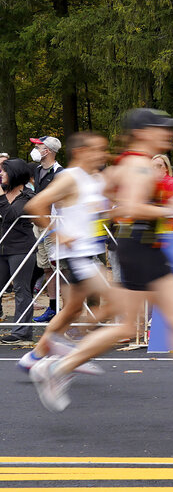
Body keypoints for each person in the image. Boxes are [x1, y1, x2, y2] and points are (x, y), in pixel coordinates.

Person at [29, 108, 173, 416]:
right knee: (160, 323)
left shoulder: (126, 164)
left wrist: (103, 211)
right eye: (163, 128)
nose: (170, 133)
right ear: (144, 132)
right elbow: (131, 207)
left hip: (139, 246)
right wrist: (170, 208)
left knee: (137, 326)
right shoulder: (141, 166)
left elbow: (110, 200)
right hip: (142, 246)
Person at [19, 132, 115, 374]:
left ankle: (35, 356)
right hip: (76, 254)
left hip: (88, 251)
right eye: (97, 149)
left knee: (72, 309)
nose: (102, 154)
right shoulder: (70, 178)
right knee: (118, 301)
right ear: (81, 152)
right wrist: (57, 232)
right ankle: (71, 350)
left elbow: (94, 212)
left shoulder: (93, 179)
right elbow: (33, 206)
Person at [0, 158, 38, 344]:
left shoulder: (27, 197)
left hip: (21, 248)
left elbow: (10, 215)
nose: (1, 174)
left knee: (22, 289)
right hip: (3, 247)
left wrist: (0, 195)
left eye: (4, 171)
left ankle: (21, 333)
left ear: (14, 174)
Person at [29, 135, 63, 324]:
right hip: (38, 226)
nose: (35, 150)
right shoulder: (37, 170)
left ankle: (67, 310)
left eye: (38, 146)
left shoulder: (59, 172)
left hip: (54, 227)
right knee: (46, 268)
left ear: (47, 151)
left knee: (60, 268)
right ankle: (52, 308)